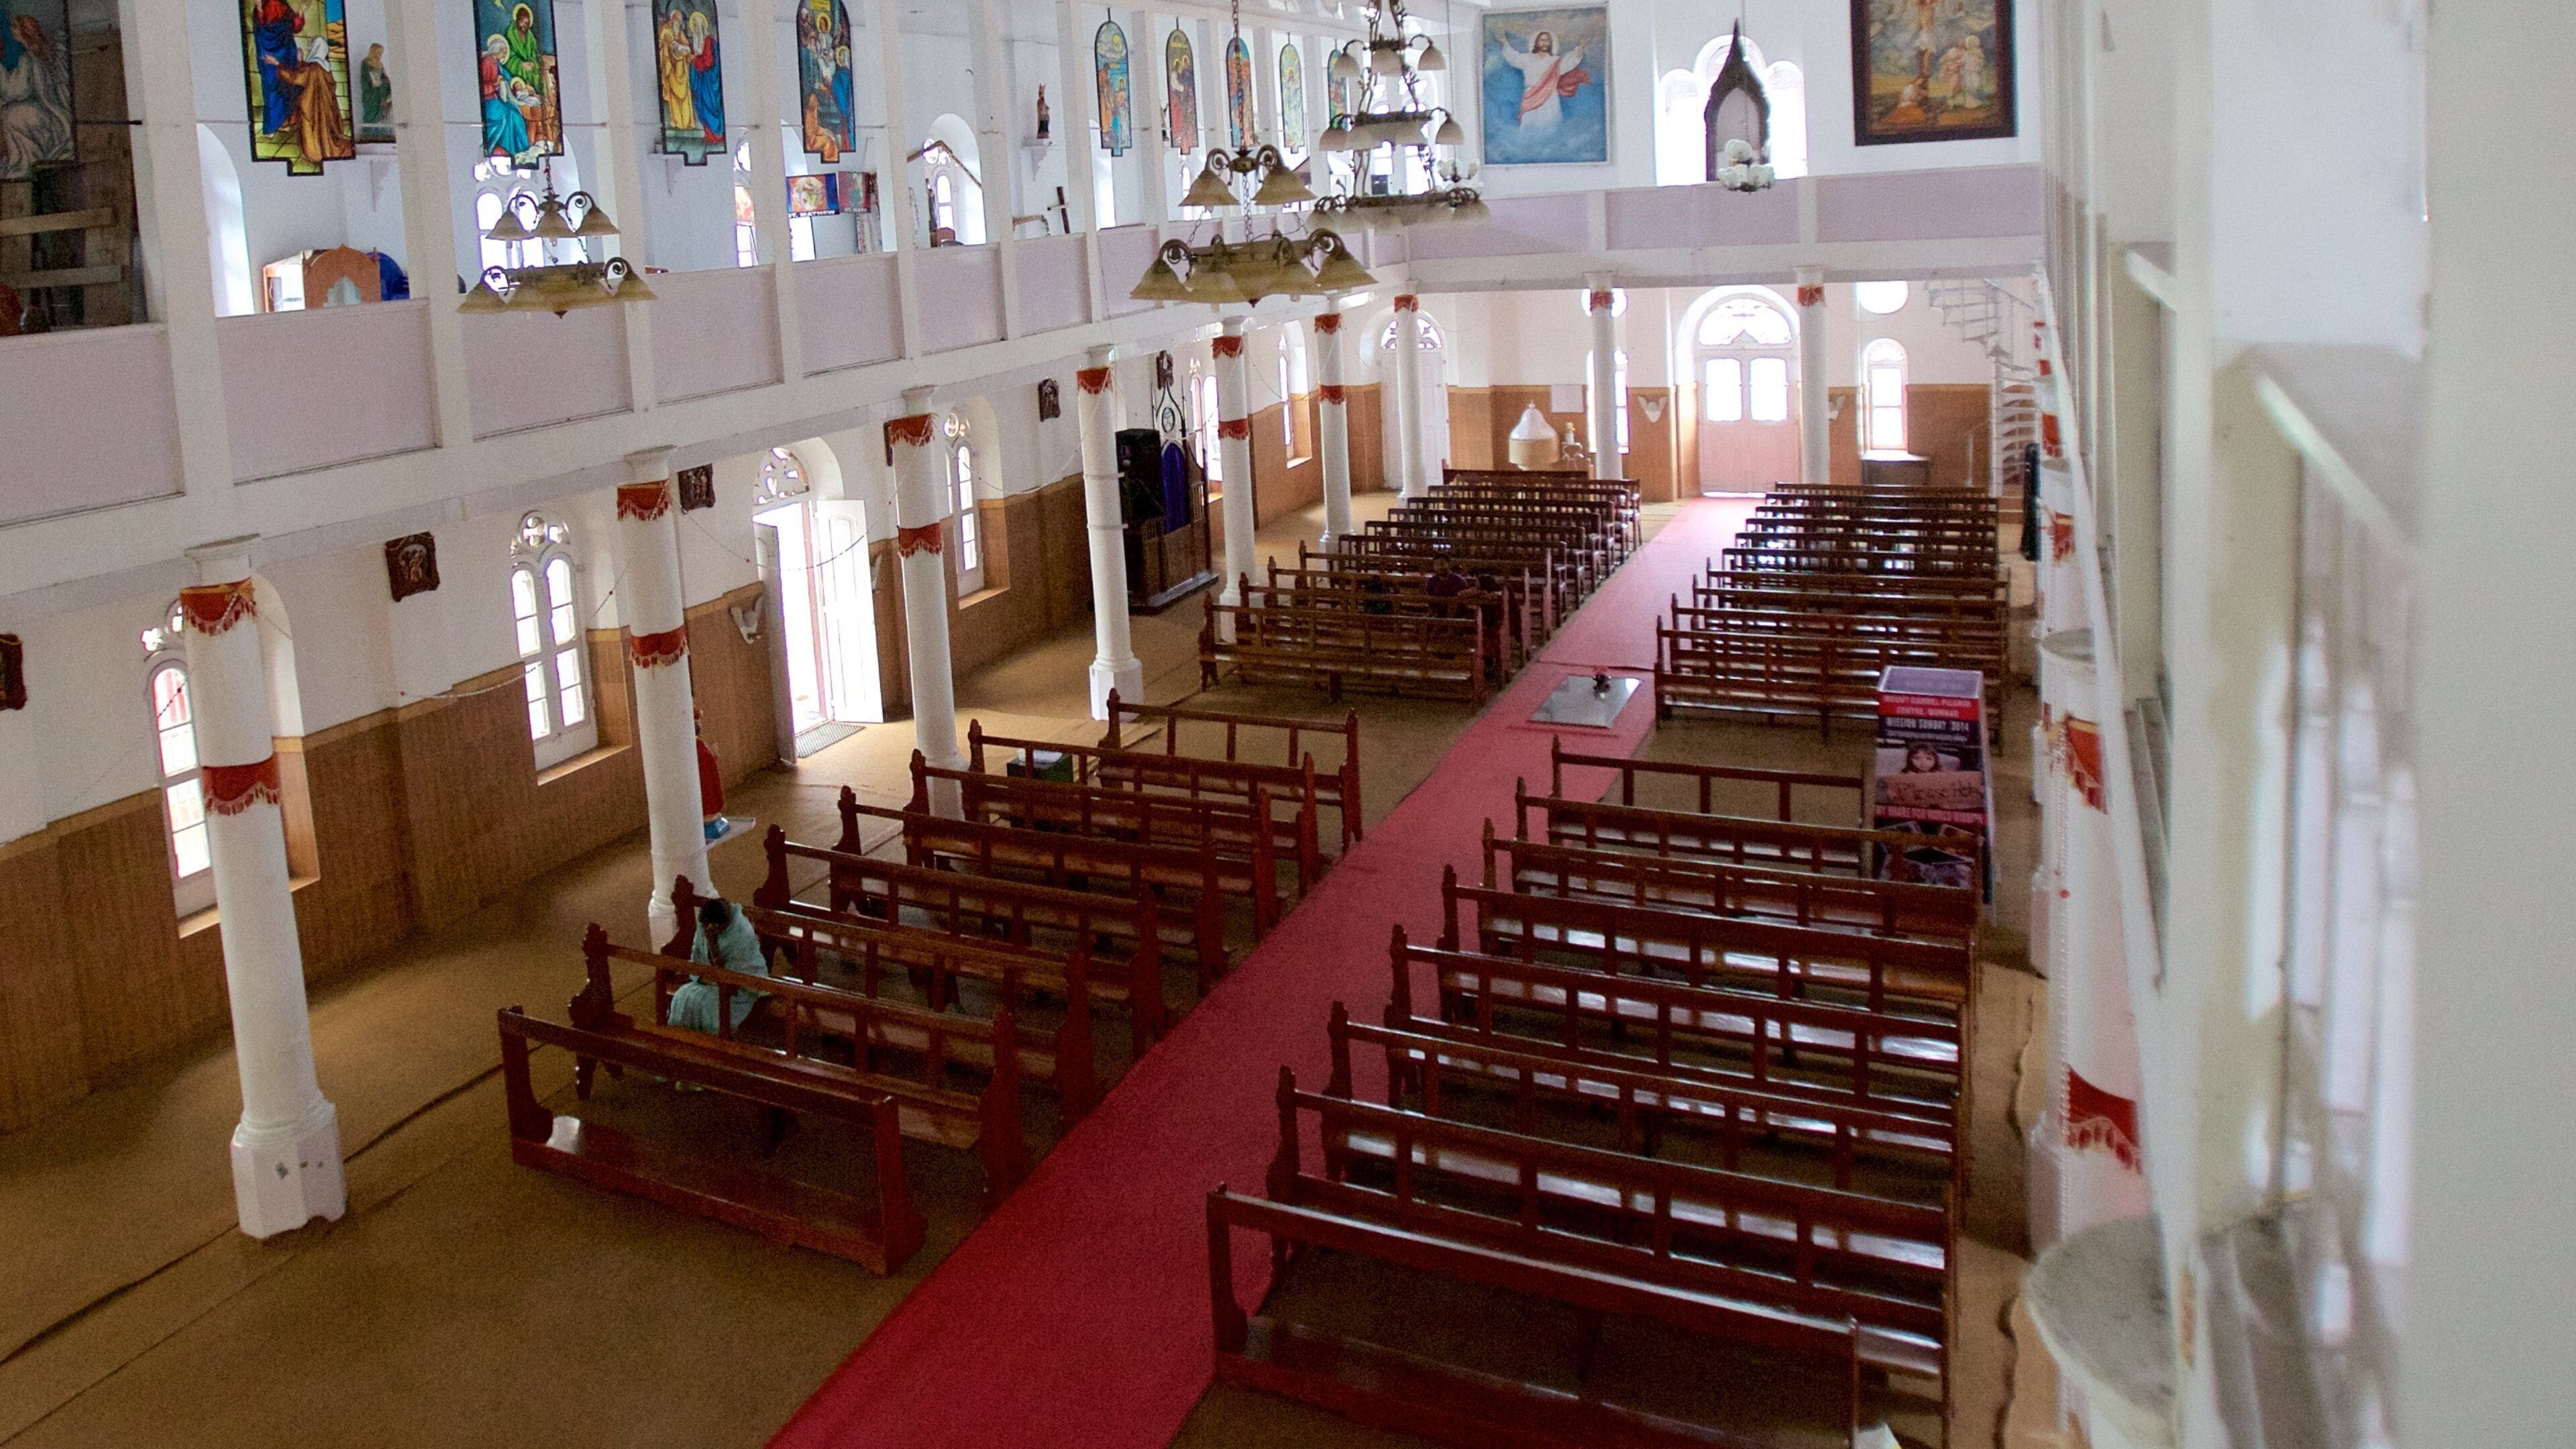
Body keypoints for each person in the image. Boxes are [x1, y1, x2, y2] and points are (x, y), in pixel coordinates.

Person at [667, 897, 767, 1033]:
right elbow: (697, 958)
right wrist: (704, 977)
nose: (709, 929)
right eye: (706, 926)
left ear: (725, 923)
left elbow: (736, 974)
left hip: (738, 990)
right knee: (682, 995)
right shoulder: (705, 925)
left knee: (710, 1005)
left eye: (715, 927)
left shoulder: (741, 933)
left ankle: (715, 1042)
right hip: (707, 982)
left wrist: (713, 943)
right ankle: (682, 1040)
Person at [1497, 29, 1585, 136]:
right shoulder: (1528, 59)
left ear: (1551, 43)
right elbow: (1514, 58)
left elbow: (1570, 61)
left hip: (1550, 98)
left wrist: (1581, 46)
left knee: (1550, 127)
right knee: (1529, 126)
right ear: (1536, 42)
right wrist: (1505, 42)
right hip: (1531, 96)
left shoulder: (1555, 61)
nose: (1544, 43)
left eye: (1547, 40)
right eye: (1542, 40)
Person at [696, 708, 726, 841]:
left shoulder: (699, 746)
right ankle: (708, 817)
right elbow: (707, 762)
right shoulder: (699, 747)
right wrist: (714, 754)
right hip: (704, 783)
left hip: (704, 780)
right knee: (707, 796)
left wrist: (713, 755)